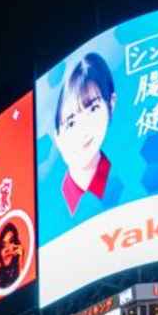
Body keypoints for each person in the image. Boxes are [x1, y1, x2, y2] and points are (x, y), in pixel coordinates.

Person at [50, 52, 120, 218]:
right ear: (57, 136)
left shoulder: (123, 177)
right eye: (71, 122)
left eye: (93, 109)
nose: (83, 129)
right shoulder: (50, 205)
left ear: (111, 104)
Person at [0, 222, 25, 290]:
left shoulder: (21, 269)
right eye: (3, 246)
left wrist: (21, 261)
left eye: (11, 241)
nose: (6, 249)